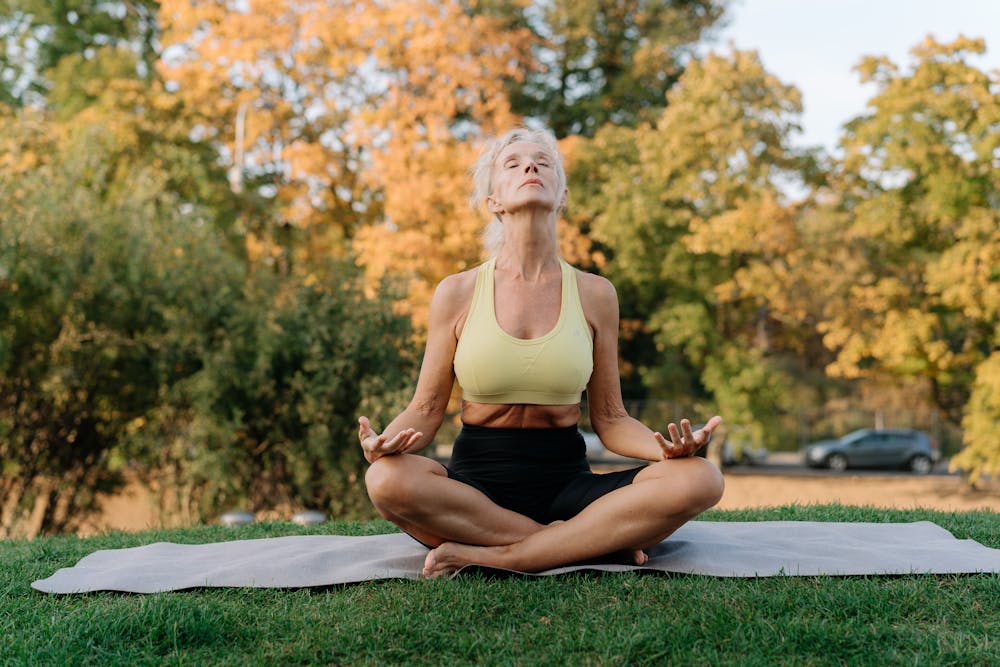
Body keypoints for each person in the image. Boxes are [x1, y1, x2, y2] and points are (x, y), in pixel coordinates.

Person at [358, 127, 724, 578]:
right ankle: (588, 543)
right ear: (492, 200)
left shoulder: (595, 294)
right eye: (512, 164)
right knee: (386, 479)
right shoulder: (456, 292)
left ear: (562, 195)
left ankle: (503, 556)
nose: (530, 166)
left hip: (567, 482)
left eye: (543, 162)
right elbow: (426, 408)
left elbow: (610, 420)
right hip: (476, 489)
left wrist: (665, 450)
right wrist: (383, 445)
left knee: (701, 478)